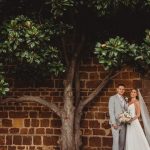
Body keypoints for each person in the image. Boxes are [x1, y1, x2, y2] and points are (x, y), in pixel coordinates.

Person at [108, 84, 128, 150]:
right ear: (117, 89)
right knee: (116, 141)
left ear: (124, 90)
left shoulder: (125, 99)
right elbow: (111, 111)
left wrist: (127, 119)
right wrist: (113, 123)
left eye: (123, 89)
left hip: (123, 123)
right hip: (115, 123)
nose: (121, 90)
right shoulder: (112, 98)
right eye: (120, 89)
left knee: (122, 141)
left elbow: (126, 110)